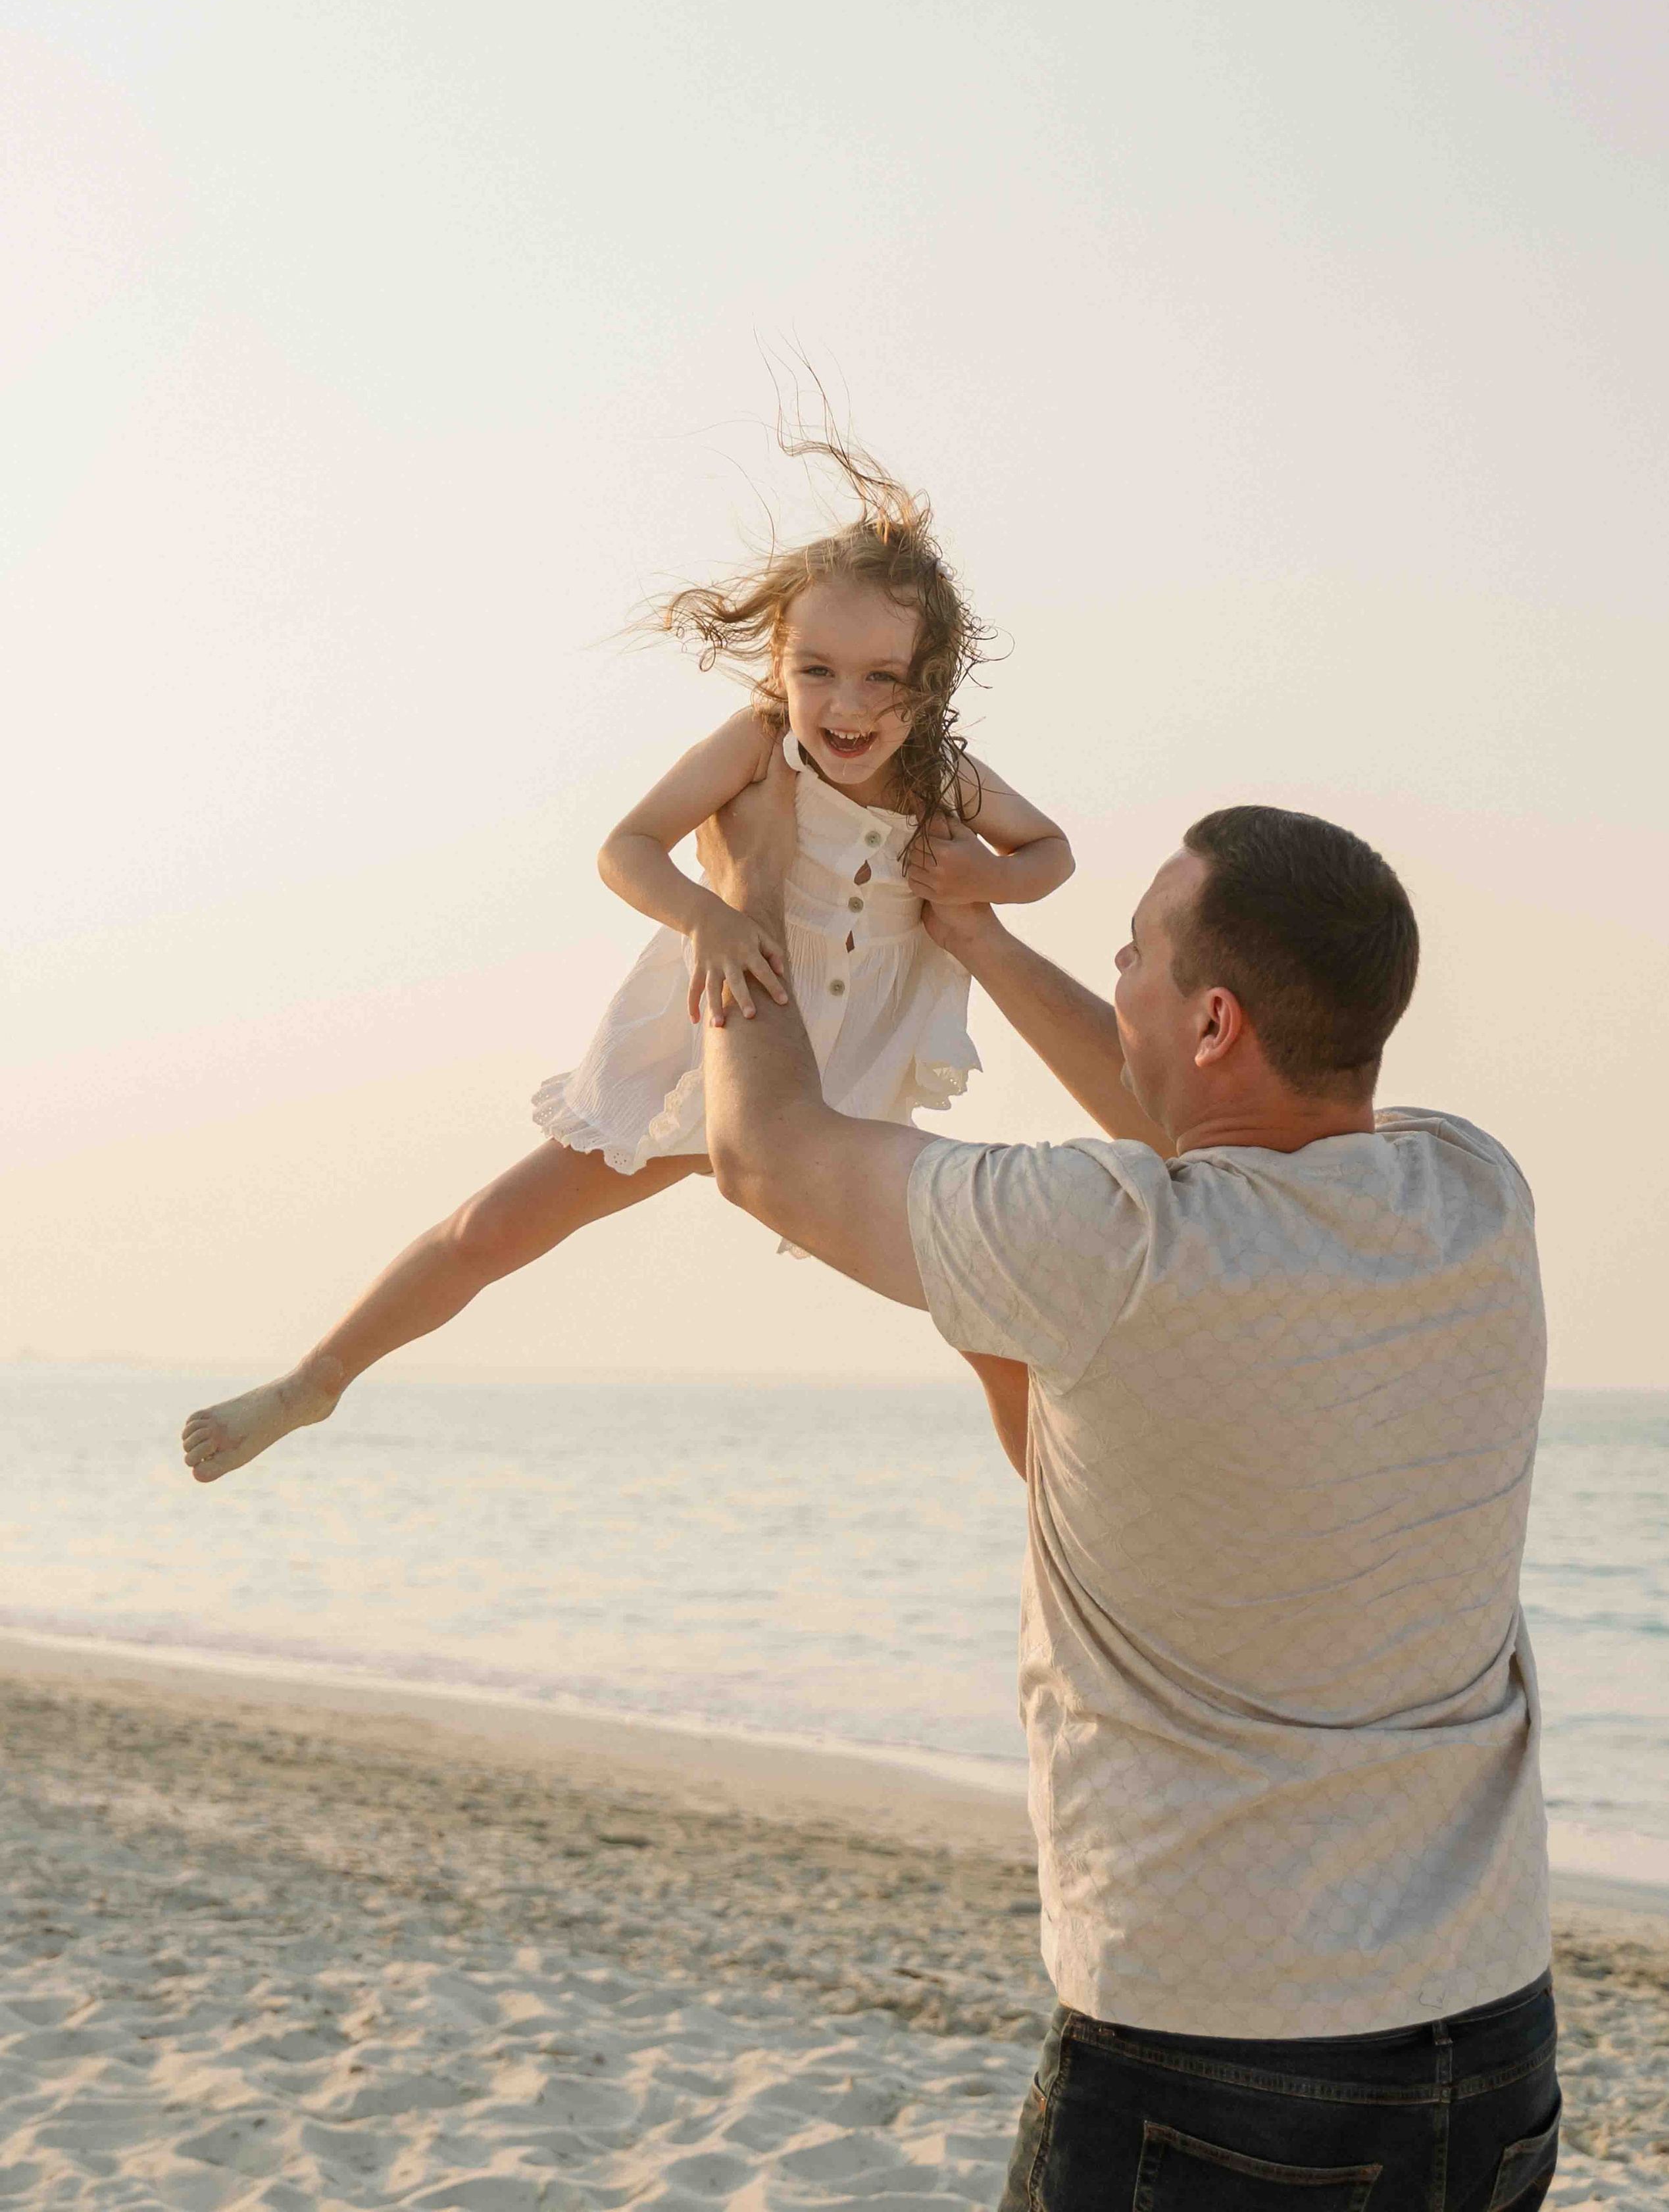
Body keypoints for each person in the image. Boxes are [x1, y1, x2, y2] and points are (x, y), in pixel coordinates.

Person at [693, 759, 1560, 2212]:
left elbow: (765, 1154)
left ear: (1212, 1019)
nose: (1113, 979)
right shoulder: (1474, 1195)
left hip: (1215, 2060)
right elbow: (1208, 1129)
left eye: (1132, 958)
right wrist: (975, 940)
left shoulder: (1110, 1249)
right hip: (1485, 2037)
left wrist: (741, 891)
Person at [180, 426, 1072, 1483]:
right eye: (816, 670)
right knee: (495, 1226)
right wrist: (709, 917)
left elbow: (1050, 853)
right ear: (779, 664)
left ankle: (1061, 1533)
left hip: (847, 1083)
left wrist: (988, 881)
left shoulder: (943, 779)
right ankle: (314, 1381)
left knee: (986, 1321)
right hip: (713, 1036)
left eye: (883, 679)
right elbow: (625, 847)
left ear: (928, 689)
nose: (845, 705)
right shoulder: (755, 743)